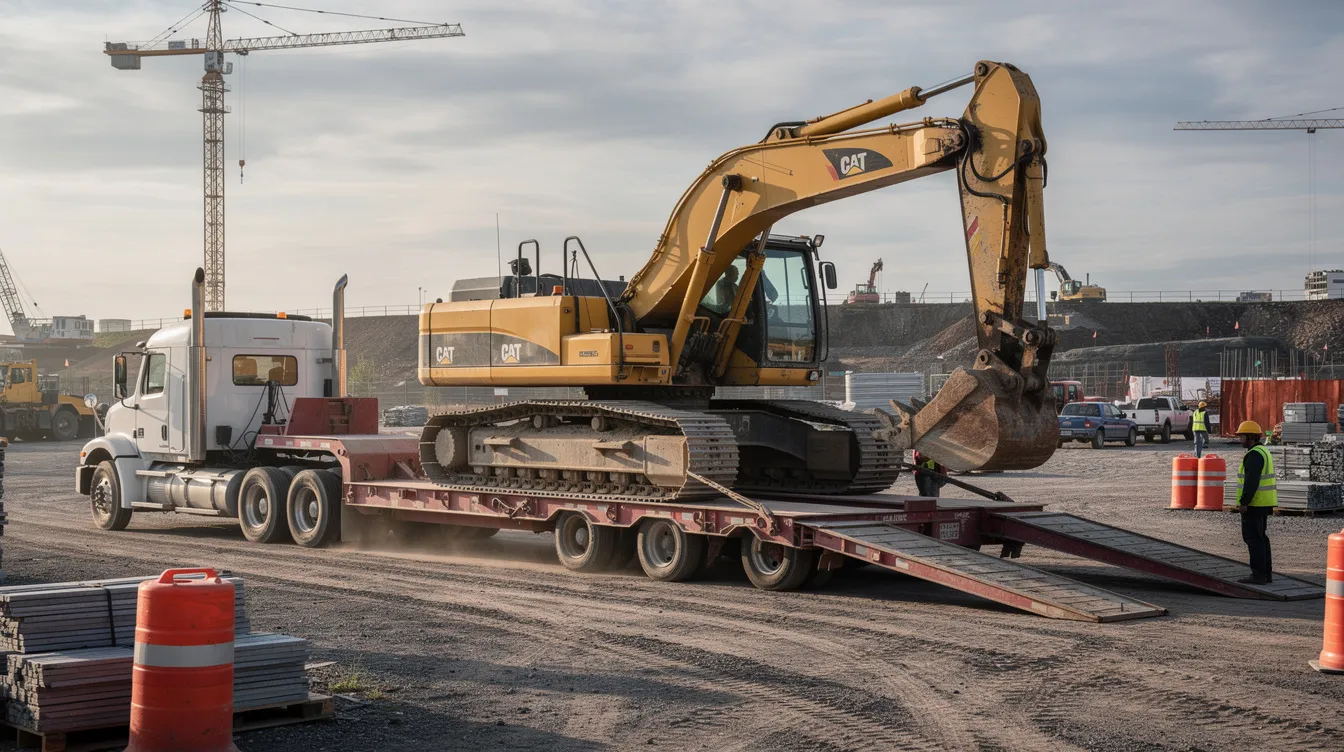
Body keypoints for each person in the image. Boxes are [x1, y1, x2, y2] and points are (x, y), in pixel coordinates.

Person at [1234, 420, 1276, 584]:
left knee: (1253, 539)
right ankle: (1266, 574)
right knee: (1261, 538)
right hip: (1263, 503)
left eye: (1242, 436)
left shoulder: (1254, 455)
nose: (1240, 439)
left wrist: (1244, 502)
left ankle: (1258, 575)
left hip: (1255, 504)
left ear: (1250, 437)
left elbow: (1251, 481)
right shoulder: (1263, 451)